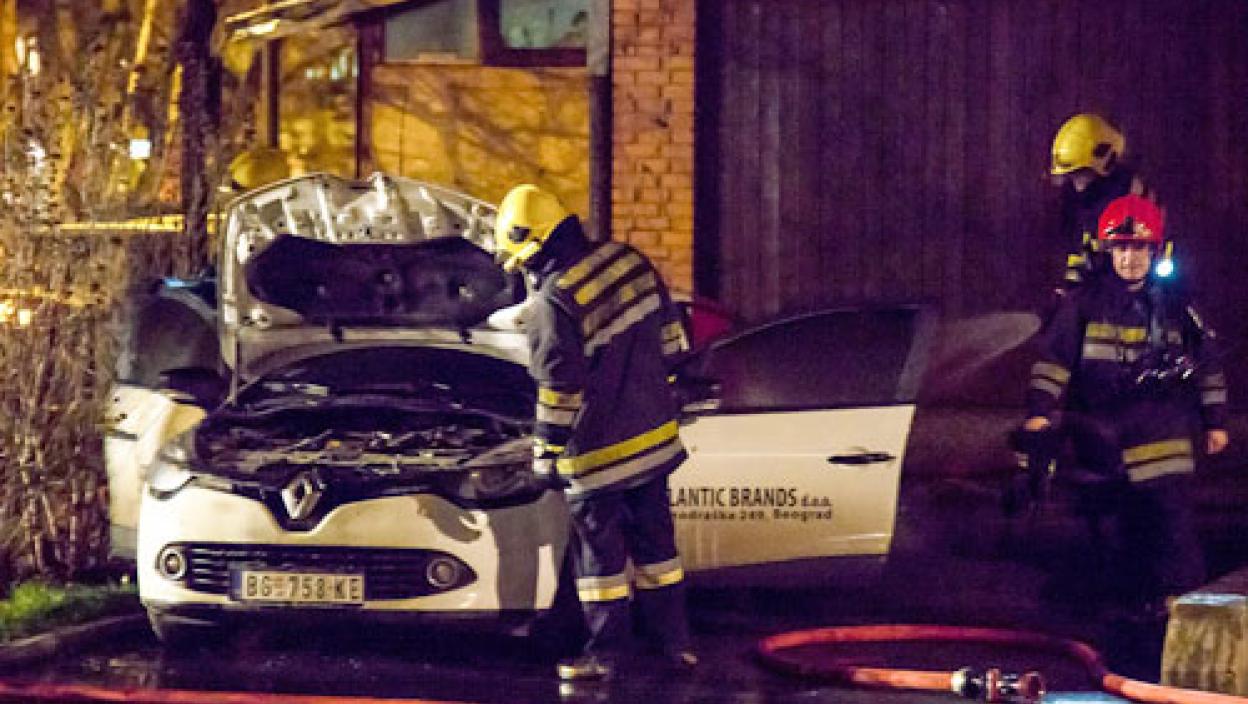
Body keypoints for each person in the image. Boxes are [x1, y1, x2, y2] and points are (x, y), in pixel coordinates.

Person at [493, 184, 697, 681]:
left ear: (533, 244)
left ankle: (604, 655)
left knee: (600, 564)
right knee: (658, 552)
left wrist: (545, 454)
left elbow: (559, 390)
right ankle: (674, 646)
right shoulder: (628, 261)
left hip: (598, 457)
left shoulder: (554, 299)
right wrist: (657, 394)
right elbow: (673, 342)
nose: (521, 270)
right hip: (654, 441)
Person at [1022, 194, 1228, 617]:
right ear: (1108, 252)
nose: (1130, 259)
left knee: (1171, 524)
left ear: (1157, 252)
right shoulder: (1083, 305)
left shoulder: (1177, 308)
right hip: (1104, 436)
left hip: (1163, 434)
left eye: (1140, 248)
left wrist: (1215, 422)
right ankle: (1128, 613)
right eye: (1122, 249)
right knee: (1119, 531)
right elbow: (1054, 362)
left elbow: (1208, 366)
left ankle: (1180, 612)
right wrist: (1040, 411)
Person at [1050, 113, 1160, 288]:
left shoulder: (1131, 191)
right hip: (1098, 279)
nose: (1078, 183)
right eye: (1072, 175)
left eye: (1082, 173)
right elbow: (1076, 245)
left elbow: (1151, 238)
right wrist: (1071, 286)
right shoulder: (1073, 198)